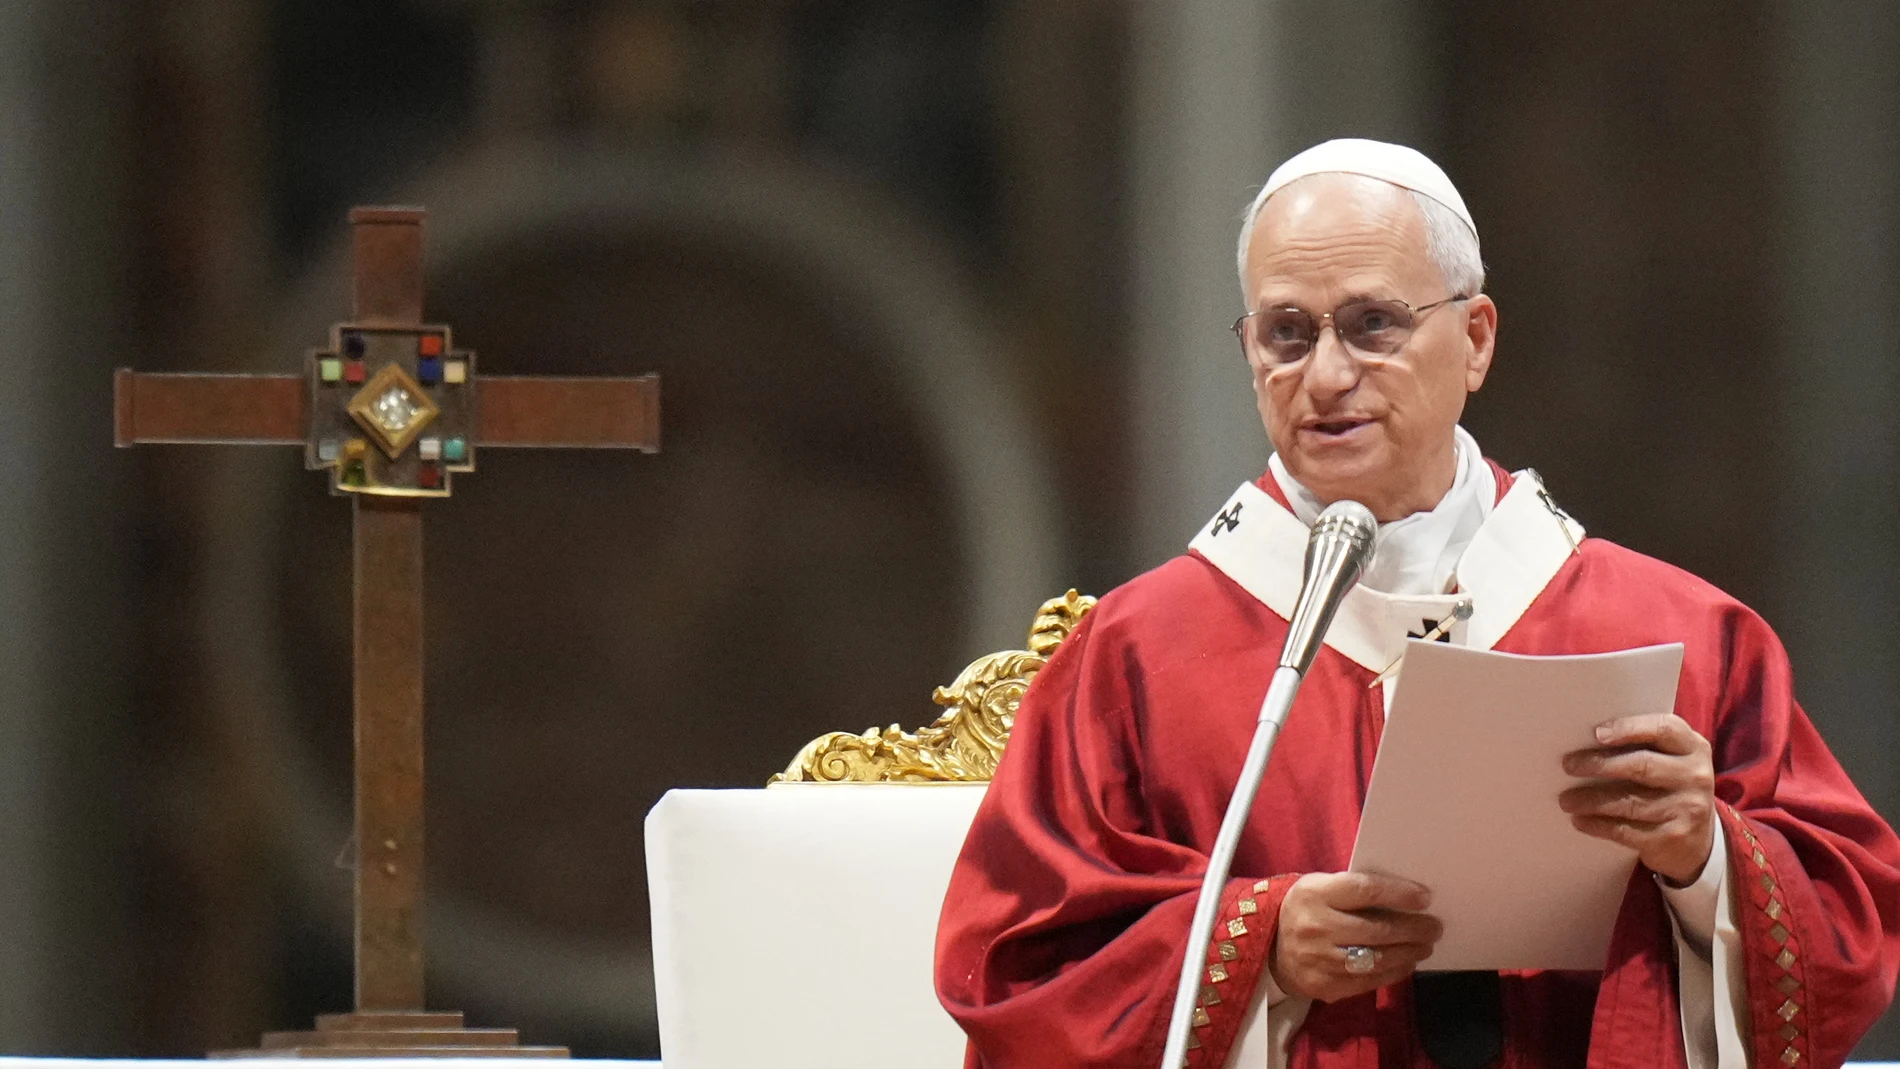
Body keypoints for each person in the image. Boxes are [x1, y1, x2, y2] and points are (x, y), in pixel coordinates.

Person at [933, 138, 1900, 1069]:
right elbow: (1018, 977)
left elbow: (1848, 927)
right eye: (1285, 333)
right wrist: (1258, 944)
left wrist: (1705, 860)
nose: (1325, 376)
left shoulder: (1680, 633)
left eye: (1372, 324)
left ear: (1475, 338)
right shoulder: (1137, 659)